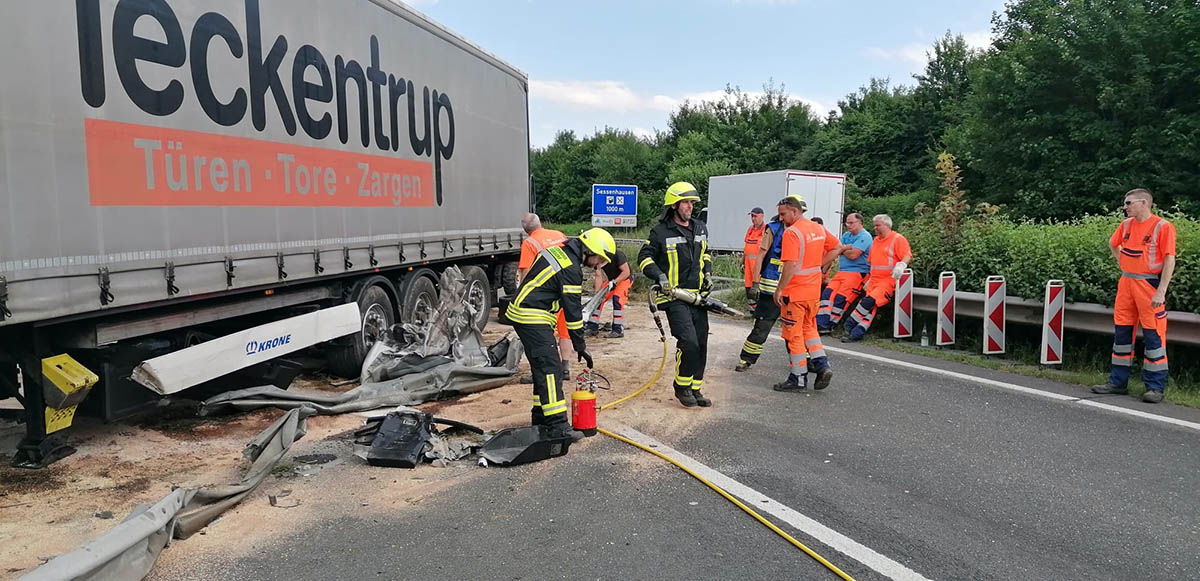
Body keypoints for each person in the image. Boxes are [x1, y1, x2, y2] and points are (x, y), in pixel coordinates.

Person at [507, 227, 616, 439]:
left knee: (542, 367)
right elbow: (573, 313)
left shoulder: (558, 250)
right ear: (591, 251)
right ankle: (558, 426)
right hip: (531, 315)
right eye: (600, 260)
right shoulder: (570, 269)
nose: (599, 265)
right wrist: (580, 345)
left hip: (525, 311)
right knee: (550, 369)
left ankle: (540, 417)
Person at [1091, 188, 1177, 403]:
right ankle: (1117, 383)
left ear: (1144, 203)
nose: (1125, 206)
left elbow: (1169, 259)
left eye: (1129, 203)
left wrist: (1161, 290)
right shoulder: (1126, 225)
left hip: (1149, 285)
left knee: (1153, 336)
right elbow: (1113, 244)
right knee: (1122, 335)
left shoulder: (1162, 226)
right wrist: (1124, 264)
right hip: (1127, 283)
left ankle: (1155, 387)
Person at [639, 182, 715, 408]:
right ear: (673, 205)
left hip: (698, 298)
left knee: (701, 343)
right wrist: (660, 276)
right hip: (673, 297)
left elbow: (706, 254)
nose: (690, 207)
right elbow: (644, 258)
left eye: (692, 203)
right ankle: (681, 387)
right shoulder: (660, 232)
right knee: (688, 341)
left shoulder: (701, 227)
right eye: (685, 202)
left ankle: (695, 388)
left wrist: (708, 274)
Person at [773, 196, 840, 391]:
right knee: (810, 330)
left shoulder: (792, 233)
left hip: (795, 293)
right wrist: (818, 265)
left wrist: (779, 289)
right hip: (813, 292)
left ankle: (798, 378)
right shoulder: (817, 228)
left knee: (793, 336)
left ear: (795, 211)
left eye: (783, 214)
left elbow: (791, 265)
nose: (781, 218)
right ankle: (822, 365)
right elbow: (837, 247)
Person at [517, 214, 572, 383]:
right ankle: (565, 368)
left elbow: (526, 272)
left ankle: (543, 371)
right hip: (566, 291)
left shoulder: (529, 243)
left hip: (544, 297)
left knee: (544, 336)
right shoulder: (559, 235)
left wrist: (522, 296)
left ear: (526, 230)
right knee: (565, 331)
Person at [842, 215, 912, 342]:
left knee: (869, 302)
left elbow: (906, 255)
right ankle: (856, 333)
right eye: (874, 225)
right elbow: (873, 263)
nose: (875, 228)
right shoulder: (876, 241)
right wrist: (869, 279)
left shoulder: (897, 239)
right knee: (869, 309)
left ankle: (850, 323)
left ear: (887, 225)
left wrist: (902, 265)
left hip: (888, 280)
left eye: (877, 225)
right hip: (874, 280)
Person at [735, 211, 786, 372]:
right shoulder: (773, 229)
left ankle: (810, 363)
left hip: (788, 288)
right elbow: (760, 255)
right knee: (762, 327)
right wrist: (755, 283)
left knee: (796, 330)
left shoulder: (803, 230)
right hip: (772, 288)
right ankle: (747, 359)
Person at [817, 213, 873, 333]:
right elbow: (836, 250)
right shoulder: (846, 235)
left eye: (851, 223)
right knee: (827, 294)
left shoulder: (865, 236)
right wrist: (845, 248)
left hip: (858, 273)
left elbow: (853, 255)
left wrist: (842, 249)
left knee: (841, 298)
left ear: (860, 223)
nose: (848, 225)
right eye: (847, 223)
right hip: (842, 272)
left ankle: (829, 325)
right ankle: (820, 323)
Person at [585, 248, 632, 338]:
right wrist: (597, 294)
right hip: (612, 280)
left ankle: (618, 329)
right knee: (598, 299)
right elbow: (598, 276)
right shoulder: (597, 259)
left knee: (617, 298)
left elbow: (626, 272)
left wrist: (615, 281)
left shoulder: (617, 254)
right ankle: (592, 326)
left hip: (625, 278)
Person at [743, 208, 767, 306]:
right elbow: (746, 248)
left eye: (755, 216)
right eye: (752, 216)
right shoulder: (750, 229)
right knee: (748, 288)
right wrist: (742, 262)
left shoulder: (766, 230)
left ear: (762, 216)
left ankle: (759, 310)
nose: (753, 219)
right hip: (748, 266)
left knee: (757, 288)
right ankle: (751, 310)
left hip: (758, 266)